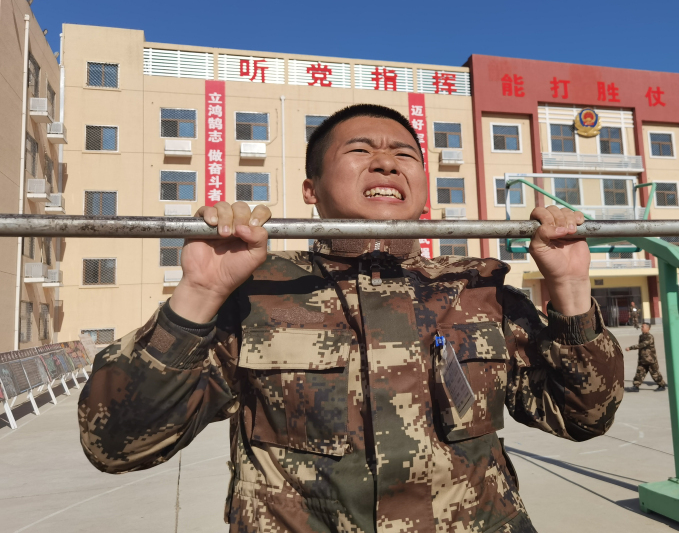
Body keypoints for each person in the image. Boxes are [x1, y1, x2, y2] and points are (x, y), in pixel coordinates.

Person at [77, 104, 625, 533]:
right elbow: (119, 444)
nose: (387, 162)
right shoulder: (258, 294)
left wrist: (571, 288)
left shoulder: (477, 289)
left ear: (423, 192)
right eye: (360, 150)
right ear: (311, 191)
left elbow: (583, 417)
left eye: (404, 155)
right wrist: (198, 293)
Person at [624, 322, 666, 392]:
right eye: (641, 327)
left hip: (650, 359)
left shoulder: (650, 337)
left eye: (643, 327)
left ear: (648, 328)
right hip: (642, 359)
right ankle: (636, 386)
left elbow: (642, 345)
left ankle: (662, 385)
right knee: (639, 372)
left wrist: (631, 348)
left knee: (655, 373)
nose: (641, 328)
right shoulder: (641, 336)